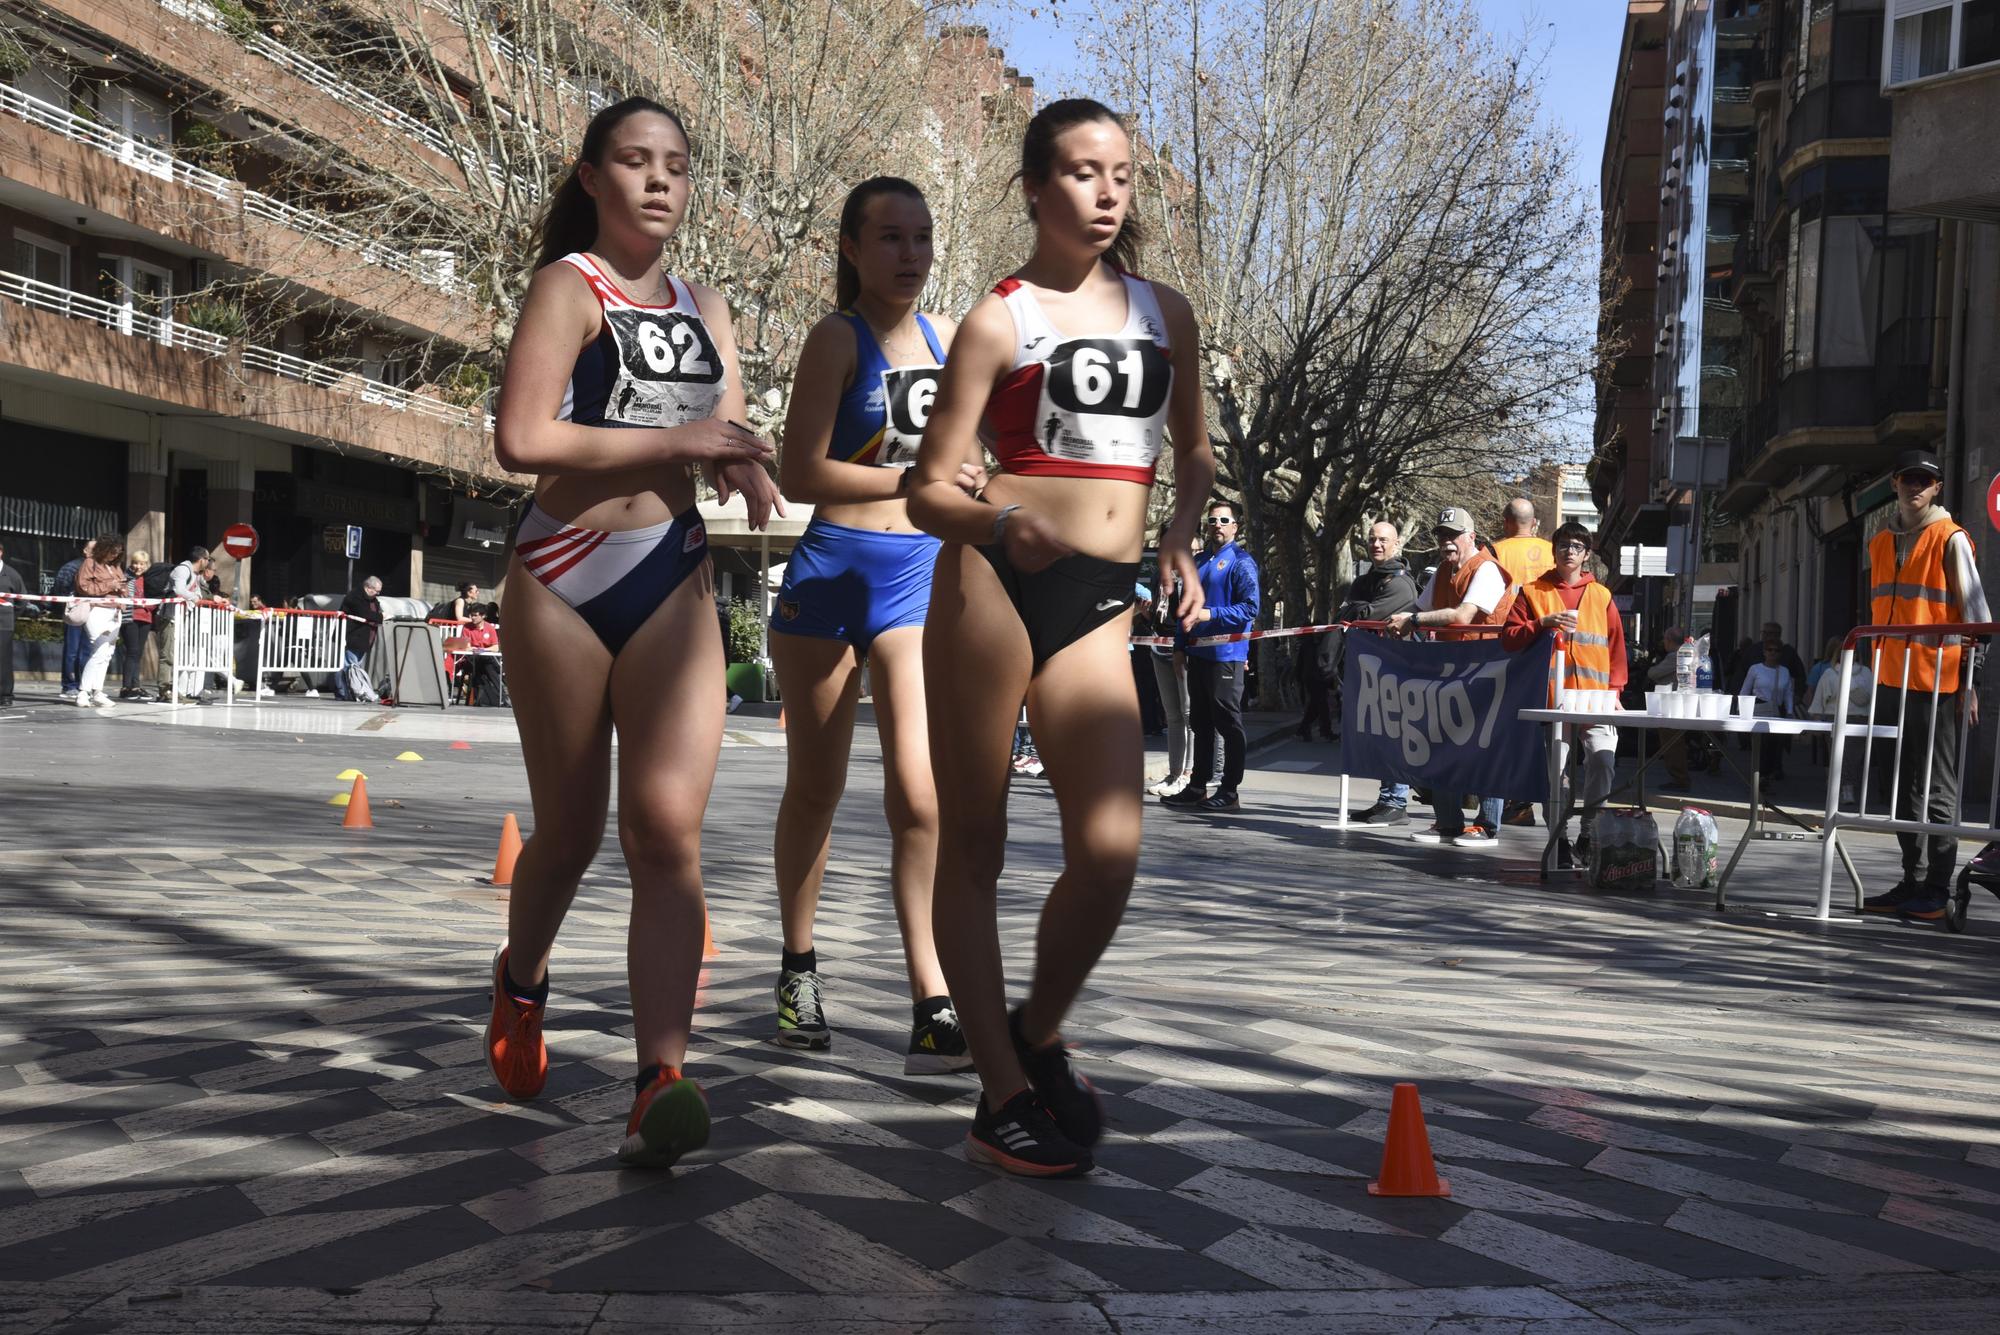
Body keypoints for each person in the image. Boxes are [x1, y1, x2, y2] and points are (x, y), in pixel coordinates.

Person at [907, 97, 1213, 1176]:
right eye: (1082, 173)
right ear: (1034, 187)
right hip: (993, 585)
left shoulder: (1164, 313)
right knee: (975, 847)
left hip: (1098, 599)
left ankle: (1036, 1030)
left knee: (1111, 848)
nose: (1105, 192)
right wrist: (998, 521)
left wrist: (1175, 542)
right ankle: (998, 1093)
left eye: (1120, 174)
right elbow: (927, 488)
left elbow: (1195, 457)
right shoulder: (1000, 319)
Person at [488, 96, 781, 1168]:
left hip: (669, 573)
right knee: (566, 833)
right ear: (590, 177)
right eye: (633, 161)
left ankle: (661, 1076)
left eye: (675, 165)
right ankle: (520, 985)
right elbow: (521, 437)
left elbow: (725, 425)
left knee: (663, 828)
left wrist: (743, 463)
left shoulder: (708, 303)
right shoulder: (568, 288)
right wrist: (683, 434)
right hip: (562, 572)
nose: (659, 180)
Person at [766, 175, 972, 1074]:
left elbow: (967, 458)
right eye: (890, 237)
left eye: (922, 237)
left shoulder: (947, 341)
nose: (910, 254)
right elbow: (800, 472)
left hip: (915, 580)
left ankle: (931, 993)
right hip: (828, 576)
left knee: (921, 796)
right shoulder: (834, 339)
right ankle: (798, 966)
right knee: (816, 789)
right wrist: (913, 480)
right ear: (851, 247)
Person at [1860, 450, 1990, 921]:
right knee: (1899, 788)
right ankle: (1911, 881)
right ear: (1895, 484)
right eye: (1908, 479)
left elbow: (1978, 618)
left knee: (1938, 790)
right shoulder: (1878, 542)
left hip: (1940, 682)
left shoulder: (1950, 539)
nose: (1916, 487)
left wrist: (1970, 683)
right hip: (1892, 679)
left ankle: (1937, 889)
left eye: (1925, 481)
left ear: (1936, 489)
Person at [1386, 505, 1514, 846]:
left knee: (1485, 748)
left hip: (1486, 672)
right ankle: (1447, 823)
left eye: (1453, 535)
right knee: (1441, 744)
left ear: (1471, 536)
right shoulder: (1443, 571)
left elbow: (1462, 616)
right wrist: (1397, 618)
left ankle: (1487, 825)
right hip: (1448, 671)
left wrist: (1411, 622)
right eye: (1441, 535)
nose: (1446, 542)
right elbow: (1421, 607)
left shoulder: (1486, 570)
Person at [1502, 522, 1627, 866]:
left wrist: (1616, 689)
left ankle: (1590, 833)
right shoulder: (1532, 592)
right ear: (1553, 550)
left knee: (1602, 760)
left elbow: (1616, 647)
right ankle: (1558, 839)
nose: (1568, 551)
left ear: (1586, 555)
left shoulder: (1601, 595)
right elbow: (1508, 638)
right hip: (1551, 699)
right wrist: (1541, 624)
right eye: (1563, 545)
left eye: (1576, 546)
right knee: (1557, 774)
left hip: (1596, 699)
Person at [1162, 499, 1260, 812]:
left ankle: (1230, 790)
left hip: (1227, 655)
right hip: (1197, 655)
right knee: (1201, 722)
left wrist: (1210, 614)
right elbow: (1184, 610)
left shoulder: (1242, 562)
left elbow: (1250, 608)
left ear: (1236, 526)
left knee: (1228, 723)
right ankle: (1197, 786)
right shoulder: (1199, 561)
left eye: (1223, 520)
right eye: (1212, 520)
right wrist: (1180, 647)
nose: (1217, 525)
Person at [1344, 520, 1422, 824]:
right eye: (1373, 539)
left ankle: (1396, 801)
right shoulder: (1369, 580)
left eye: (1384, 540)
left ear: (1397, 544)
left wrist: (1356, 608)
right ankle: (1386, 798)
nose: (1377, 545)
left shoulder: (1400, 583)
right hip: (1374, 670)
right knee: (1381, 735)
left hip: (1399, 670)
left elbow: (1362, 614)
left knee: (1396, 735)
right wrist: (1355, 609)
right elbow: (1349, 612)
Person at [1144, 525, 1199, 796]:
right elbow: (1157, 615)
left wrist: (1182, 645)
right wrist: (1146, 614)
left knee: (1189, 713)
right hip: (1159, 646)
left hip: (1185, 649)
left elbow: (1191, 615)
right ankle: (1175, 773)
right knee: (1173, 714)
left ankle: (1189, 774)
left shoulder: (1193, 574)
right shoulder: (1158, 575)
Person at [72, 533, 127, 710]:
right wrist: (111, 586)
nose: (115, 555)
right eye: (113, 551)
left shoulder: (115, 567)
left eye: (118, 552)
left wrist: (123, 590)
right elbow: (83, 587)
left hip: (115, 611)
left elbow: (123, 586)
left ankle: (97, 691)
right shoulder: (90, 563)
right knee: (99, 651)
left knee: (106, 654)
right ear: (104, 549)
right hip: (97, 610)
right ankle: (84, 691)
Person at [1644, 626, 1692, 789]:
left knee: (1672, 743)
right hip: (1679, 702)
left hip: (1671, 704)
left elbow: (1654, 673)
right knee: (1674, 742)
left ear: (1669, 641)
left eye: (1664, 639)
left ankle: (1679, 779)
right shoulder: (1686, 653)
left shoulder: (1675, 656)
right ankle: (1679, 778)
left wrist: (1651, 667)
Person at [1742, 638, 1796, 779]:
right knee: (1761, 745)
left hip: (1777, 711)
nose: (1772, 653)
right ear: (1764, 652)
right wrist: (1742, 711)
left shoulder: (1784, 671)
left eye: (1776, 650)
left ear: (1780, 653)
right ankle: (1760, 775)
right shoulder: (1755, 669)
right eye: (1769, 649)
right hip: (1758, 709)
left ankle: (1770, 773)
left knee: (1775, 744)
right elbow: (1745, 691)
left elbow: (1788, 693)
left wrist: (1790, 712)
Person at [53, 539, 92, 701]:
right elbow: (60, 586)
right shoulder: (72, 567)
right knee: (72, 650)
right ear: (85, 550)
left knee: (86, 651)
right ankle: (69, 685)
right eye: (94, 549)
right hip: (75, 612)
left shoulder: (100, 568)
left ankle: (83, 685)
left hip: (93, 613)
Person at [1491, 497, 1554, 590]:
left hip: (1511, 604)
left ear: (1506, 522)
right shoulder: (1553, 549)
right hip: (1544, 604)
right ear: (1534, 522)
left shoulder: (1496, 551)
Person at [337, 575, 384, 701]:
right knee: (350, 666)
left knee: (353, 666)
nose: (378, 594)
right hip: (352, 637)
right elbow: (364, 613)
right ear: (368, 588)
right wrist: (381, 617)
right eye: (376, 591)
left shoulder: (372, 599)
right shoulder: (354, 596)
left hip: (363, 639)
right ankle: (345, 693)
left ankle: (352, 692)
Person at [119, 552, 154, 700]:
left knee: (138, 653)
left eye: (141, 563)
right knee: (132, 651)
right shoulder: (126, 577)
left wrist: (149, 607)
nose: (138, 566)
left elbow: (155, 598)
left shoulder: (150, 579)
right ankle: (126, 687)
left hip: (145, 618)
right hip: (130, 618)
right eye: (135, 563)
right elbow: (124, 596)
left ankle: (136, 686)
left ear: (147, 565)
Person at [0, 540, 25, 706]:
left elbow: (22, 600)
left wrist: (11, 616)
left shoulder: (12, 574)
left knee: (3, 660)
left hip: (3, 623)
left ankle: (5, 694)